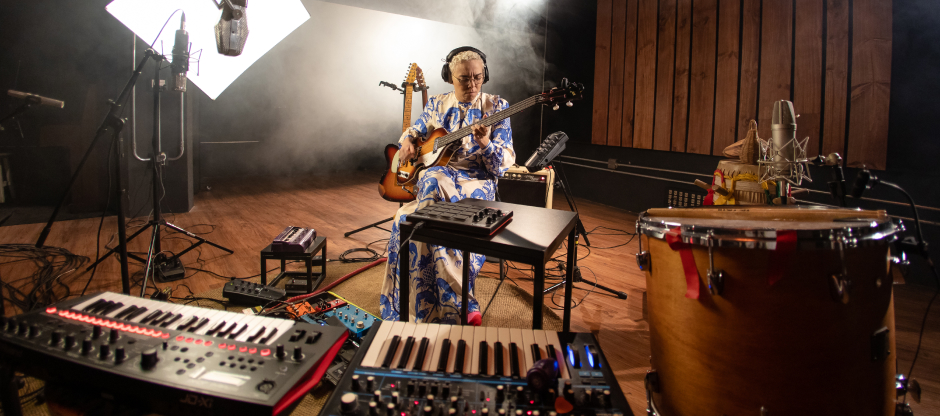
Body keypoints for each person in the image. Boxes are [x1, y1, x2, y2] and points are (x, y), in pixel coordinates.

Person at [379, 46, 515, 325]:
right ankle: (456, 306)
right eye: (464, 79)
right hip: (440, 178)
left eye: (478, 77)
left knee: (413, 215)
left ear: (484, 75)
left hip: (477, 182)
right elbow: (415, 131)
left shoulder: (497, 106)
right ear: (450, 77)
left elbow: (502, 164)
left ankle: (440, 306)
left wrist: (485, 143)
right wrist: (407, 140)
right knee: (427, 187)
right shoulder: (437, 103)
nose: (472, 84)